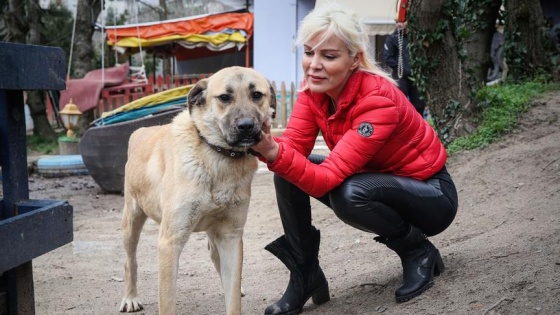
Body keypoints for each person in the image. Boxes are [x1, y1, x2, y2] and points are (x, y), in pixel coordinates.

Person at [251, 5, 458, 315]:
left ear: (355, 60)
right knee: (286, 172)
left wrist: (273, 152)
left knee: (350, 194)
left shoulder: (378, 100)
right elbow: (292, 147)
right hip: (376, 183)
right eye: (309, 53)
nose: (314, 66)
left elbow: (325, 179)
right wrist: (260, 140)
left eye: (329, 56)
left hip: (431, 196)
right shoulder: (313, 93)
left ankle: (418, 251)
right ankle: (305, 273)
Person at [383, 21, 426, 116]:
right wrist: (402, 68)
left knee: (419, 105)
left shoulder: (415, 37)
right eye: (399, 22)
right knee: (399, 103)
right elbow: (388, 58)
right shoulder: (393, 38)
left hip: (416, 77)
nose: (401, 24)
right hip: (401, 76)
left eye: (404, 22)